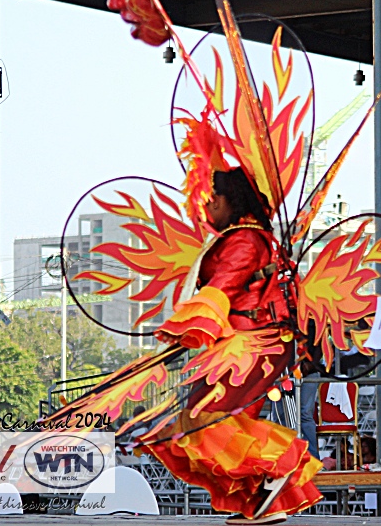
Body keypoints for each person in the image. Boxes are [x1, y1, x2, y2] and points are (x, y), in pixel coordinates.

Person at [150, 168, 321, 525]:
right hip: (240, 342)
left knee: (208, 422)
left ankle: (278, 469)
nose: (207, 205)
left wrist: (185, 325)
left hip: (253, 344)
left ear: (232, 199)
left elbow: (223, 286)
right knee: (211, 422)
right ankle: (262, 499)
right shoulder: (236, 237)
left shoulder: (246, 239)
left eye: (214, 198)